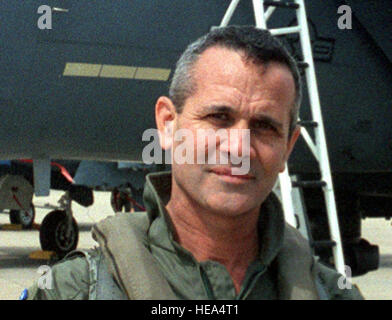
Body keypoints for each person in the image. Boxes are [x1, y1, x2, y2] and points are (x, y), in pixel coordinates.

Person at [25, 26, 363, 300]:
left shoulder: (332, 294)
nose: (238, 148)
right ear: (167, 124)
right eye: (219, 117)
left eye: (265, 126)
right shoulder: (71, 292)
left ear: (288, 147)